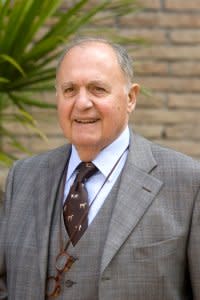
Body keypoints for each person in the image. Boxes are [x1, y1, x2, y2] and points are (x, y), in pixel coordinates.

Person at [0, 37, 200, 300]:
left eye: (97, 89)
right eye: (69, 90)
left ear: (131, 98)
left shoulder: (188, 183)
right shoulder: (23, 177)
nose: (82, 103)